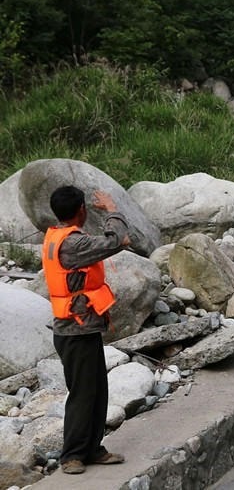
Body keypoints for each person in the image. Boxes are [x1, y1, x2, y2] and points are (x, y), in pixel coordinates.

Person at [43, 186, 129, 474]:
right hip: (74, 331)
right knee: (82, 393)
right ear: (81, 209)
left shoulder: (58, 236)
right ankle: (72, 455)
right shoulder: (72, 244)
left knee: (97, 390)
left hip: (81, 328)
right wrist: (111, 209)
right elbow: (115, 240)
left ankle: (93, 449)